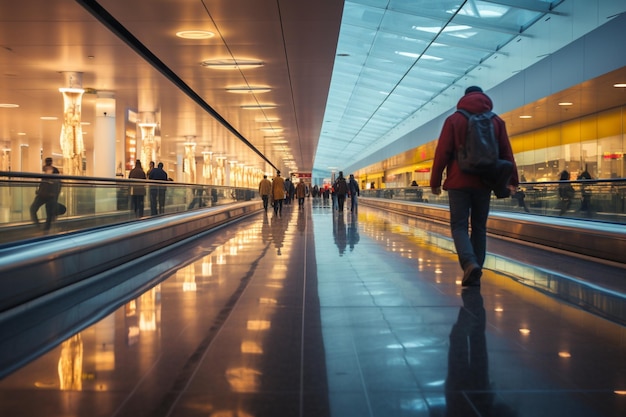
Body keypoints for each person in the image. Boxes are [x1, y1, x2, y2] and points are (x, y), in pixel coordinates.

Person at [430, 86, 518, 287]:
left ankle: (470, 264)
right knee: (479, 227)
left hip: (458, 183)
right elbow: (506, 153)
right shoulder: (496, 121)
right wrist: (513, 180)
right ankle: (476, 269)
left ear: (464, 98)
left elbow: (442, 152)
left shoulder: (454, 120)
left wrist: (435, 182)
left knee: (459, 226)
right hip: (485, 182)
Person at [30, 157, 61, 231]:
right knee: (33, 209)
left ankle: (45, 229)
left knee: (49, 213)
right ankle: (39, 227)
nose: (48, 163)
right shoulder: (45, 170)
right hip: (42, 194)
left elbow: (57, 184)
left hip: (50, 195)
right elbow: (43, 183)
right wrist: (39, 190)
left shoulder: (55, 171)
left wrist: (54, 195)